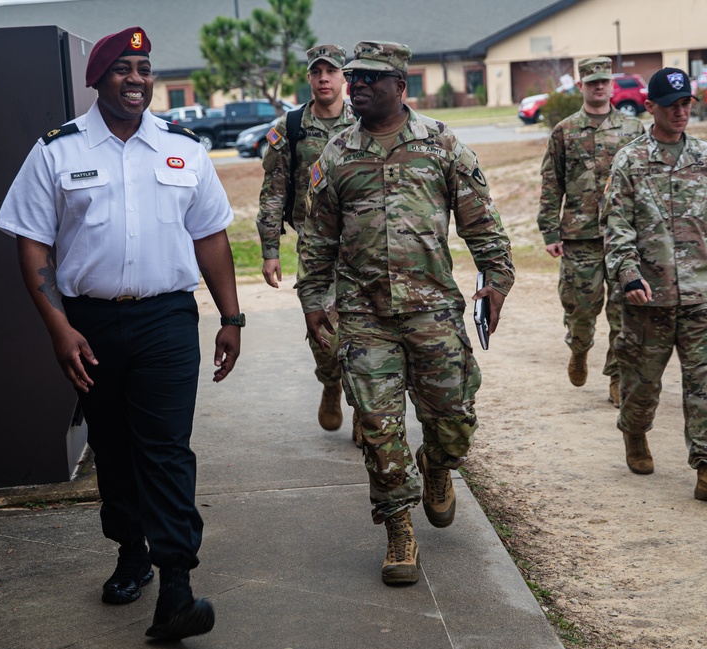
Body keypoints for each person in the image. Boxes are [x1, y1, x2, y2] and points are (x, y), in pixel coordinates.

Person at [0, 26, 244, 639]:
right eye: (122, 70)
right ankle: (131, 551)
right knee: (113, 445)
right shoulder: (57, 151)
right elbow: (33, 244)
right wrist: (58, 326)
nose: (137, 80)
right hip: (91, 322)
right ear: (97, 79)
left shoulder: (182, 148)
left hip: (166, 319)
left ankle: (177, 586)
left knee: (165, 448)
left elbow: (211, 237)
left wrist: (231, 317)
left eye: (145, 68)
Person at [296, 41, 515, 585]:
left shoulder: (440, 145)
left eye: (372, 77)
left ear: (402, 85)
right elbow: (317, 240)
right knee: (377, 424)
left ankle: (438, 466)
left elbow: (481, 223)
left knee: (453, 418)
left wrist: (496, 279)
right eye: (354, 76)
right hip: (364, 314)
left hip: (433, 309)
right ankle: (398, 530)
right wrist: (313, 300)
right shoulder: (337, 156)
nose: (359, 84)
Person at [602, 67, 707, 507]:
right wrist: (627, 275)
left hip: (702, 293)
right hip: (649, 297)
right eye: (672, 106)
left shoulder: (705, 156)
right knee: (642, 386)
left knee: (704, 385)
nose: (681, 112)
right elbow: (616, 227)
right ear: (651, 109)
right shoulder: (630, 160)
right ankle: (634, 430)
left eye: (686, 105)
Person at [255, 44, 359, 440]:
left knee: (365, 333)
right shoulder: (291, 127)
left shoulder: (364, 121)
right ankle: (330, 382)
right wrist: (269, 250)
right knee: (324, 335)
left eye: (331, 72)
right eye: (316, 72)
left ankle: (365, 414)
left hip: (362, 246)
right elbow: (273, 192)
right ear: (309, 77)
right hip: (316, 249)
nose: (323, 79)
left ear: (344, 78)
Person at [537, 57, 645, 406]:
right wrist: (550, 230)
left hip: (622, 237)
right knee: (581, 310)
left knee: (624, 313)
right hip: (579, 235)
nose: (599, 87)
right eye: (592, 82)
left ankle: (617, 378)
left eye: (604, 81)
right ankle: (579, 349)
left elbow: (645, 184)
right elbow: (551, 183)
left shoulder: (633, 129)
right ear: (581, 86)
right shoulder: (565, 131)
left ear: (612, 85)